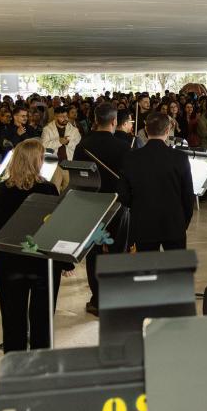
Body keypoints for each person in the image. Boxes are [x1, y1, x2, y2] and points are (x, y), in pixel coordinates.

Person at [0, 139, 65, 352]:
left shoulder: (1, 190)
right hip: (41, 263)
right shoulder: (47, 189)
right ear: (37, 161)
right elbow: (55, 228)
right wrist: (65, 263)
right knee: (42, 320)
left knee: (12, 320)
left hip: (9, 261)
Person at [74, 103, 131, 315]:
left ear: (95, 120)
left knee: (95, 252)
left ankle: (98, 299)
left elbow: (78, 178)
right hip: (117, 205)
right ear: (115, 121)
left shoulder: (82, 146)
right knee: (117, 251)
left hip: (92, 205)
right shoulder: (124, 147)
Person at [117, 112, 193, 251]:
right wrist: (184, 222)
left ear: (146, 130)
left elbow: (123, 195)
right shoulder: (179, 157)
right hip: (173, 223)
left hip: (143, 223)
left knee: (148, 271)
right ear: (167, 130)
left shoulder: (131, 158)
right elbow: (188, 195)